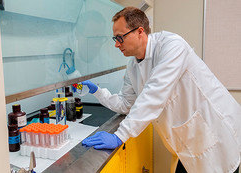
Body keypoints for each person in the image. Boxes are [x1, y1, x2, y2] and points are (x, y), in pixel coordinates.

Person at [80, 7, 241, 173]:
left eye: (120, 37)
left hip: (214, 136)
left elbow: (154, 94)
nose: (116, 44)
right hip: (189, 144)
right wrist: (97, 91)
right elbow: (127, 104)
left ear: (139, 31)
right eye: (115, 38)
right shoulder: (133, 66)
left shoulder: (172, 45)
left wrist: (120, 136)